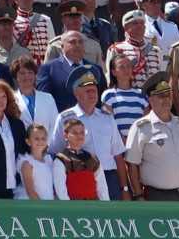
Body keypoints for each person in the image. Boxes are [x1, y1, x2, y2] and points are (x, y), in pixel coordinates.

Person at [125, 74, 179, 201]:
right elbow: (131, 163)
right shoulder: (141, 127)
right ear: (150, 100)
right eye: (161, 96)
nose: (166, 99)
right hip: (159, 196)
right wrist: (138, 195)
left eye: (168, 95)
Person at [58, 69, 129, 200]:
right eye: (87, 91)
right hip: (83, 179)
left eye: (94, 90)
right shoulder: (64, 118)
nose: (92, 94)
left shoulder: (108, 118)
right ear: (76, 94)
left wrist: (124, 188)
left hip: (109, 177)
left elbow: (118, 156)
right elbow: (57, 152)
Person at [54, 116, 107, 200]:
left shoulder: (93, 159)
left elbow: (102, 187)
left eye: (82, 133)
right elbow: (61, 189)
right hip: (74, 205)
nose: (79, 136)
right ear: (65, 136)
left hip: (94, 205)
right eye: (75, 133)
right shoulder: (61, 159)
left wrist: (105, 207)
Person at [16, 124, 62, 200]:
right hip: (34, 204)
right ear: (28, 141)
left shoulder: (49, 161)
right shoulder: (27, 164)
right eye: (36, 138)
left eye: (43, 138)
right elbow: (30, 191)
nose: (40, 141)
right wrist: (42, 208)